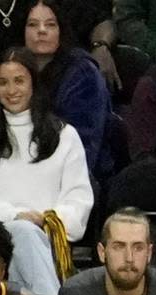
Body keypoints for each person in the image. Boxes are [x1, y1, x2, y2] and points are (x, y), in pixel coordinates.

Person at [0, 47, 94, 295]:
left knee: (27, 237)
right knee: (22, 233)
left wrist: (45, 220)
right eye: (3, 82)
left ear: (34, 84)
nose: (11, 90)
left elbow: (79, 202)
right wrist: (18, 216)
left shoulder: (65, 136)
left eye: (19, 81)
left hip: (52, 240)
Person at [24, 0, 116, 178]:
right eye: (32, 24)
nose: (41, 30)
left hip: (75, 177)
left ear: (61, 30)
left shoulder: (83, 74)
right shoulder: (16, 71)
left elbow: (82, 147)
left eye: (50, 24)